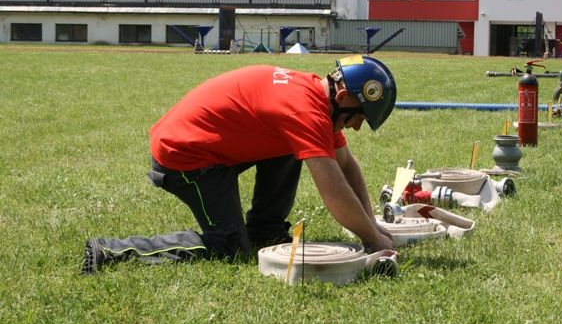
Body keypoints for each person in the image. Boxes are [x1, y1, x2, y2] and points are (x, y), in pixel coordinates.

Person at [82, 55, 397, 274]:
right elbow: (334, 192)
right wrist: (374, 240)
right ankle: (111, 251)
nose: (357, 127)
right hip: (184, 156)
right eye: (360, 117)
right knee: (230, 248)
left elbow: (347, 166)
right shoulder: (306, 113)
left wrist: (372, 225)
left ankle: (265, 231)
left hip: (210, 147)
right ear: (343, 97)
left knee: (293, 146)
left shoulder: (314, 96)